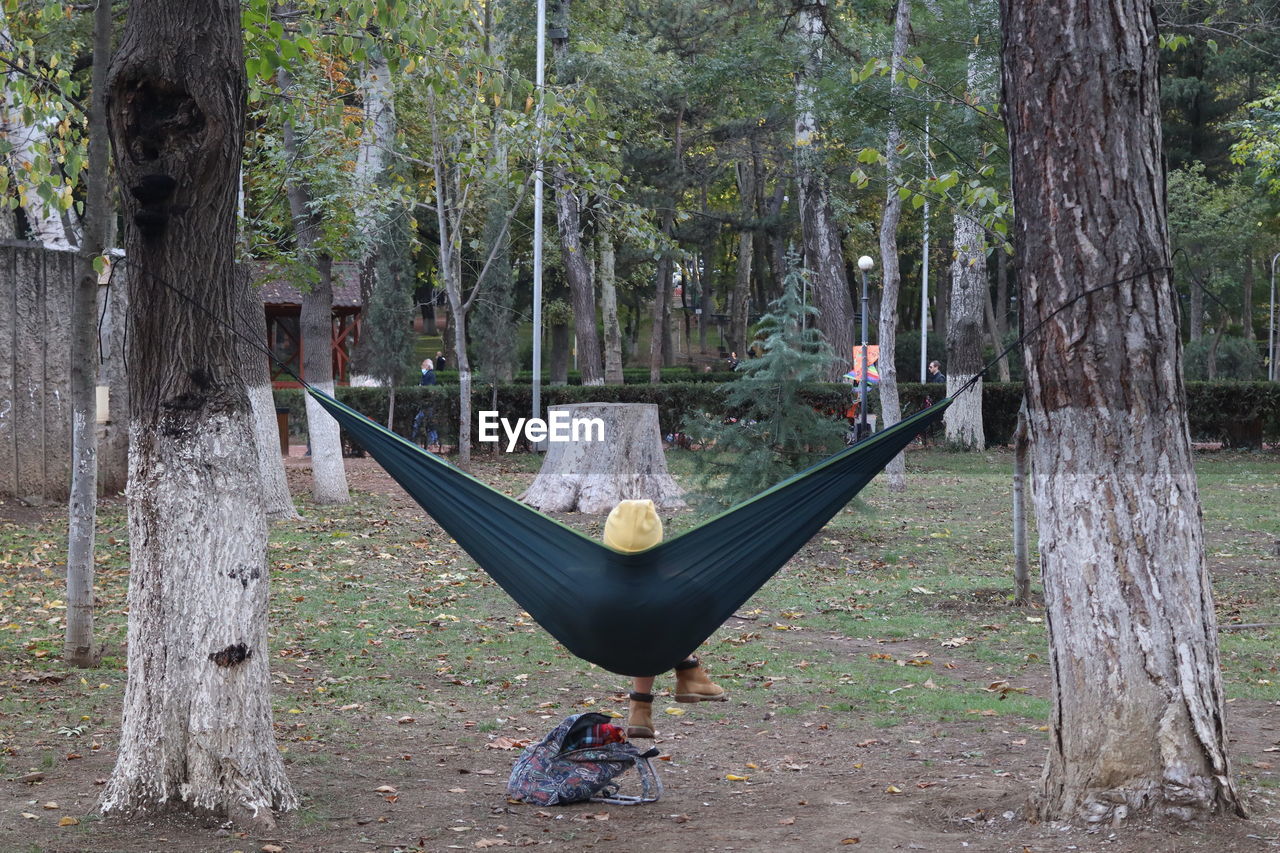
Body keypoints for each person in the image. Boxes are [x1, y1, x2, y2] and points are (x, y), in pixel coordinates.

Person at [602, 500, 727, 739]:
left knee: (650, 615)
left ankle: (641, 709)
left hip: (598, 634)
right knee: (670, 606)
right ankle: (688, 671)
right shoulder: (671, 584)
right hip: (646, 629)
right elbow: (706, 602)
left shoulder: (590, 574)